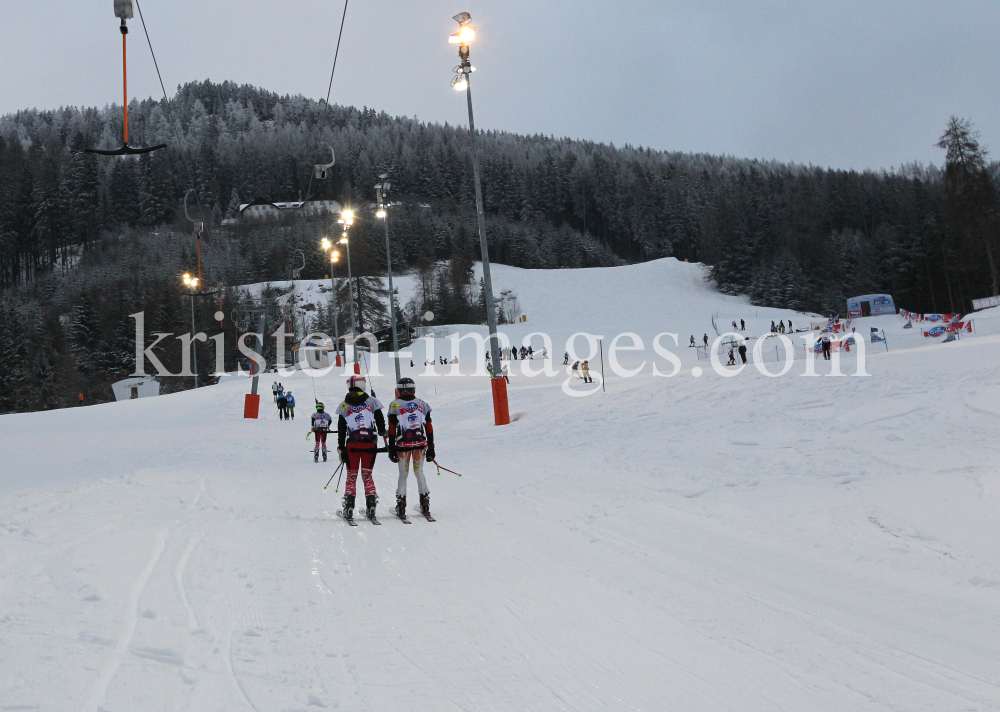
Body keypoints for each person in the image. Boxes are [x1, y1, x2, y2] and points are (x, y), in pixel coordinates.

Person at [336, 375, 386, 521]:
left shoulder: (344, 405)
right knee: (367, 474)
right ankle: (371, 505)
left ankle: (349, 507)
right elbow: (380, 421)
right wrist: (383, 432)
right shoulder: (372, 401)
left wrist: (340, 447)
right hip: (370, 442)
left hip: (352, 443)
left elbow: (341, 428)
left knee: (351, 475)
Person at [387, 377, 435, 519]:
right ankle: (424, 501)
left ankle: (401, 504)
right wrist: (431, 447)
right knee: (419, 472)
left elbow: (391, 429)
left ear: (399, 390)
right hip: (420, 444)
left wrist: (391, 448)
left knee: (403, 474)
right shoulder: (422, 404)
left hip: (403, 445)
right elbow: (429, 427)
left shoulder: (395, 405)